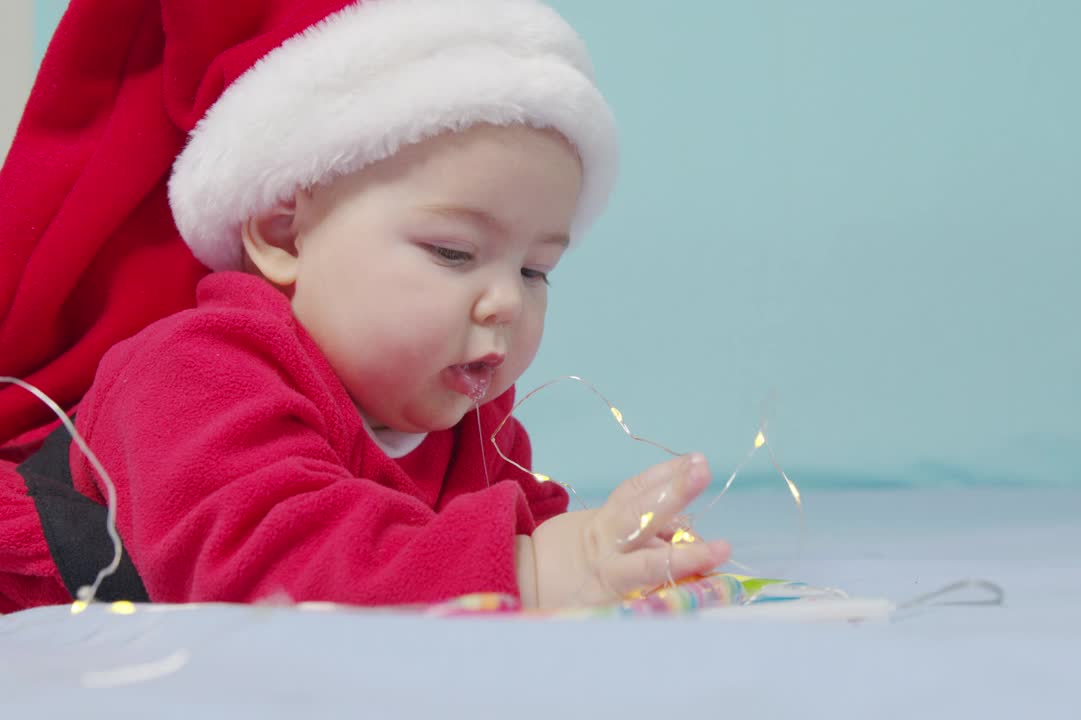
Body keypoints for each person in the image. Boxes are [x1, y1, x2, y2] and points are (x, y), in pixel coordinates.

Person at [0, 0, 729, 614]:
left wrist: (614, 558)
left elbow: (520, 523)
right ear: (285, 234)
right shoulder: (192, 373)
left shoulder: (469, 421)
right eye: (453, 252)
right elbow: (269, 573)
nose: (506, 300)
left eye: (537, 270)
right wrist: (533, 573)